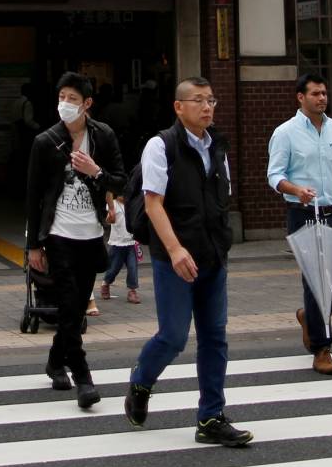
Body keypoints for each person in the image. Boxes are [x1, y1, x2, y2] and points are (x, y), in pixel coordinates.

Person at [125, 77, 250, 447]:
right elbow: (152, 204)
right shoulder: (160, 146)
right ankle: (141, 380)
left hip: (213, 256)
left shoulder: (218, 146)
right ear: (179, 107)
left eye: (211, 100)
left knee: (214, 338)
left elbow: (222, 199)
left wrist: (222, 243)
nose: (207, 107)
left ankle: (210, 417)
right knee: (174, 336)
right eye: (198, 101)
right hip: (173, 256)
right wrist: (176, 249)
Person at [24, 71, 126, 408]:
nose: (65, 104)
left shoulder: (104, 136)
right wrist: (34, 247)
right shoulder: (46, 142)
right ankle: (83, 378)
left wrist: (94, 172)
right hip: (59, 235)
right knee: (70, 307)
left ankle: (55, 361)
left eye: (72, 99)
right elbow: (33, 196)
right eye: (62, 97)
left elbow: (121, 181)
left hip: (92, 234)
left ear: (87, 104)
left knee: (76, 305)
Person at [265, 71, 332, 375]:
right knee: (316, 281)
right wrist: (296, 190)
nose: (322, 98)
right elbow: (274, 175)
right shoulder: (285, 132)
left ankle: (309, 316)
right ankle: (322, 348)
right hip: (303, 213)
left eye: (324, 93)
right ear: (300, 98)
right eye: (315, 94)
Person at [99, 191, 141, 306]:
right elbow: (108, 219)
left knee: (133, 267)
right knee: (114, 268)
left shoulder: (131, 204)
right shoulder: (113, 204)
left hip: (131, 242)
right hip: (117, 243)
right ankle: (106, 283)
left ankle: (132, 291)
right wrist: (110, 217)